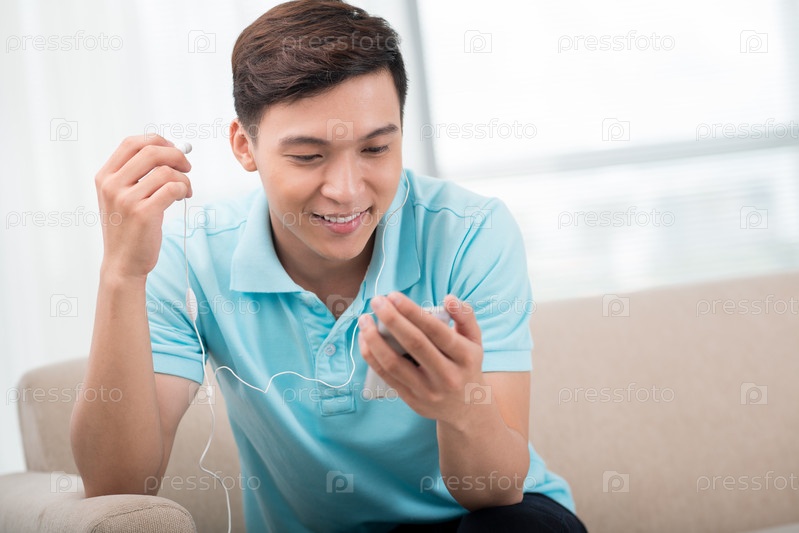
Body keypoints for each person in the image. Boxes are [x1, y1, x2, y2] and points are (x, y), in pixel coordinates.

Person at [71, 1, 588, 531]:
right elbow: (117, 487)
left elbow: (496, 490)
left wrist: (460, 407)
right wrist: (121, 274)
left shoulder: (470, 232)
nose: (346, 191)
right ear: (244, 146)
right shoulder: (190, 255)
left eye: (376, 148)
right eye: (308, 156)